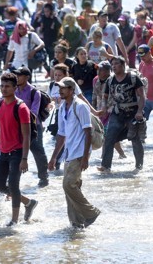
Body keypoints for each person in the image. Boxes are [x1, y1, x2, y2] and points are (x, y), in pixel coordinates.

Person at [0, 72, 38, 226]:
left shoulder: (21, 108)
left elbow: (26, 136)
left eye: (7, 86)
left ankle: (14, 220)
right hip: (2, 151)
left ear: (15, 88)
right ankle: (28, 202)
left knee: (14, 185)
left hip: (17, 152)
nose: (3, 89)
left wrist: (25, 159)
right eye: (2, 86)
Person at [48, 77, 101, 228]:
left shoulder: (81, 106)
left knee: (68, 185)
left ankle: (91, 213)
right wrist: (53, 158)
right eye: (59, 88)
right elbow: (61, 135)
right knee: (71, 189)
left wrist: (86, 157)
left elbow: (88, 132)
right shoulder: (63, 107)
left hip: (79, 153)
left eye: (63, 88)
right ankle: (76, 223)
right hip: (68, 153)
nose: (60, 91)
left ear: (72, 90)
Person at [98, 56, 145, 172]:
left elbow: (142, 96)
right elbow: (105, 96)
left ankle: (139, 166)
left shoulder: (133, 78)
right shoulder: (110, 80)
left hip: (132, 112)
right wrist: (104, 107)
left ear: (123, 65)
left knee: (135, 139)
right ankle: (105, 166)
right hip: (117, 112)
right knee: (109, 137)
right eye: (112, 64)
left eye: (116, 64)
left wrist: (139, 111)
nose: (113, 66)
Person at [13, 67, 49, 188]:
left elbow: (33, 113)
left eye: (20, 75)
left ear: (27, 77)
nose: (17, 77)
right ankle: (12, 181)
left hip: (34, 127)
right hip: (17, 127)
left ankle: (44, 178)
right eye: (16, 75)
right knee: (14, 153)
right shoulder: (13, 90)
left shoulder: (35, 92)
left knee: (38, 151)